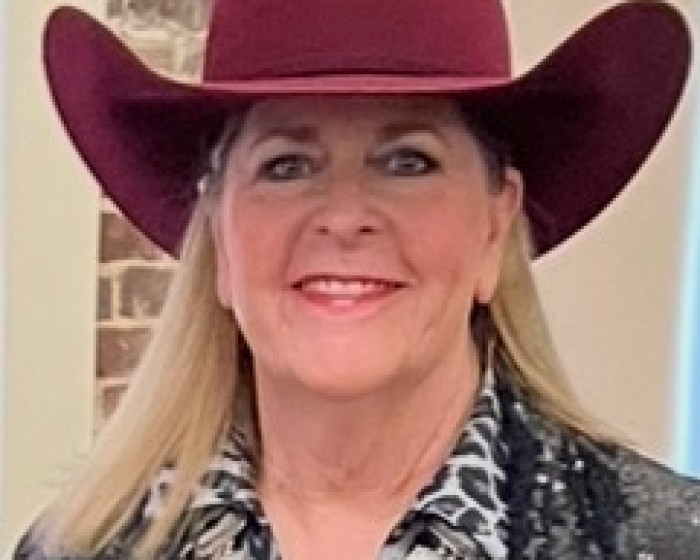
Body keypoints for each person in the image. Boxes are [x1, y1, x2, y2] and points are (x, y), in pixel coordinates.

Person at [14, 0, 700, 558]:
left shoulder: (661, 542)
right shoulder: (82, 549)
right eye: (286, 166)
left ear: (496, 223)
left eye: (408, 162)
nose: (343, 217)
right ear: (218, 234)